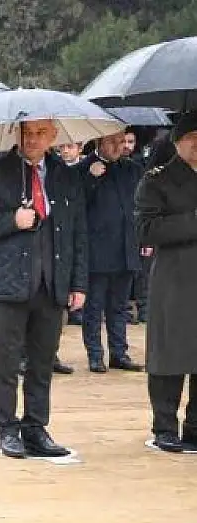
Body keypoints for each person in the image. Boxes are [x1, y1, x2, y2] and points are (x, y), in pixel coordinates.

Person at [0, 120, 88, 459]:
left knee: (42, 361)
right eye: (27, 133)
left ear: (53, 137)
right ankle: (6, 427)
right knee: (4, 361)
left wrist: (78, 283)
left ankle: (35, 426)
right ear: (17, 135)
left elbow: (78, 233)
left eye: (40, 134)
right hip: (7, 284)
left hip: (51, 284)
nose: (32, 140)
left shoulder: (65, 175)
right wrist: (10, 220)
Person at [134, 112, 197, 452]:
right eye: (193, 138)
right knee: (169, 354)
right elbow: (147, 230)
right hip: (175, 278)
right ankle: (165, 426)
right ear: (178, 141)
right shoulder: (157, 180)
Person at [76, 131, 144, 373]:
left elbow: (139, 204)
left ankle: (119, 352)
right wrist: (92, 179)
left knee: (119, 306)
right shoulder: (84, 168)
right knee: (94, 306)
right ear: (99, 143)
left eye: (121, 142)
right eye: (113, 142)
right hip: (97, 250)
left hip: (126, 247)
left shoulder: (132, 169)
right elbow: (76, 205)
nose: (119, 147)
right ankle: (95, 354)